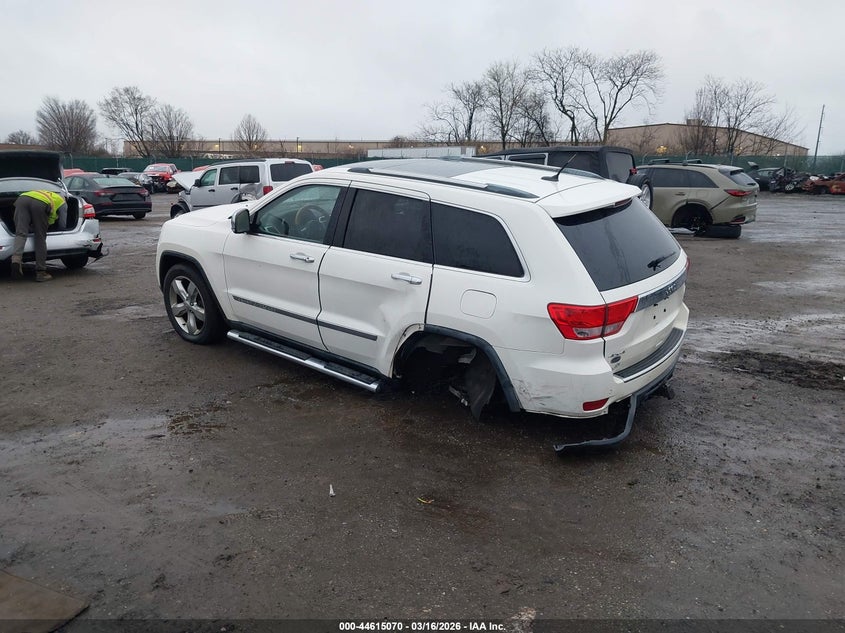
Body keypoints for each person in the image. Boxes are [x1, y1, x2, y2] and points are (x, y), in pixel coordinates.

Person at [10, 189, 67, 282]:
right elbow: (62, 224)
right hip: (40, 204)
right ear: (66, 198)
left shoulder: (44, 192)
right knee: (40, 237)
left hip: (22, 199)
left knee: (20, 233)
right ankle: (41, 272)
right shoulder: (62, 201)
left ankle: (16, 260)